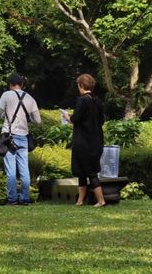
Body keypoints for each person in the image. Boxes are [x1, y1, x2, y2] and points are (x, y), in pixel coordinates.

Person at [0, 73, 41, 206]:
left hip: (9, 137)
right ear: (22, 84)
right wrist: (28, 118)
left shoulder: (6, 95)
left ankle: (12, 199)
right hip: (23, 137)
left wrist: (6, 114)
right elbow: (37, 120)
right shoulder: (30, 98)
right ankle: (25, 198)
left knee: (11, 171)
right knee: (24, 169)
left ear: (10, 84)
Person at [62, 73, 106, 207]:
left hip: (83, 141)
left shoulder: (82, 100)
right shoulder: (97, 100)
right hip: (96, 140)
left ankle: (101, 200)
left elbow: (75, 119)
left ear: (81, 85)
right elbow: (102, 120)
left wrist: (66, 116)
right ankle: (80, 200)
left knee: (89, 172)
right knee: (84, 171)